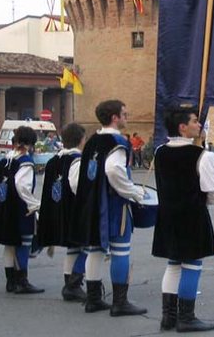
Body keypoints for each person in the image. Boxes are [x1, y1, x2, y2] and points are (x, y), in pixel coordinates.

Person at [70, 99, 147, 315]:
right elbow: (113, 171)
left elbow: (79, 177)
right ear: (115, 117)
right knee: (120, 251)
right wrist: (133, 192)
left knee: (95, 249)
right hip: (113, 205)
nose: (126, 117)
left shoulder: (91, 140)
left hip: (92, 203)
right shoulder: (118, 142)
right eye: (124, 113)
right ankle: (120, 303)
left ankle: (93, 299)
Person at [153, 106, 214, 332]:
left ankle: (168, 316)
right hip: (192, 215)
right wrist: (209, 199)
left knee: (174, 264)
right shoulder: (203, 156)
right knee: (192, 264)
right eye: (195, 121)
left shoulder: (160, 152)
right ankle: (186, 317)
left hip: (167, 215)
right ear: (183, 127)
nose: (199, 125)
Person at [0, 126, 44, 294]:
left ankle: (10, 281)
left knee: (10, 245)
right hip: (19, 208)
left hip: (4, 206)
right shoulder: (25, 161)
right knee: (23, 244)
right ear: (31, 143)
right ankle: (22, 281)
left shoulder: (5, 160)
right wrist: (34, 204)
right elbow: (22, 186)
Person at [38, 122, 88, 302]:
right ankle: (74, 283)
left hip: (57, 208)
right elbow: (78, 186)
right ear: (81, 139)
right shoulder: (78, 160)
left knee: (73, 247)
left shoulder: (53, 160)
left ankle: (69, 284)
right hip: (74, 210)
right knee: (89, 246)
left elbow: (48, 184)